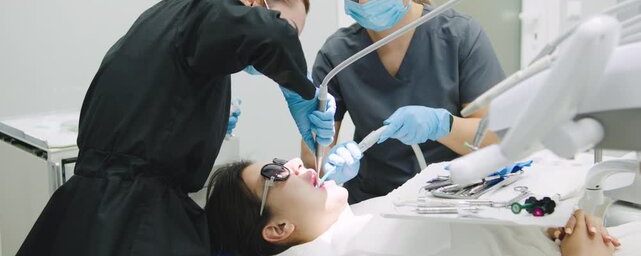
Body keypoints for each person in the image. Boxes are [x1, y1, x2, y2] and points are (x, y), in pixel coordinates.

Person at [17, 0, 336, 256]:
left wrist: (202, 125)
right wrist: (301, 92)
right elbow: (271, 37)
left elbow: (153, 106)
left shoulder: (180, 20)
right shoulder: (206, 12)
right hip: (129, 217)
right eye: (290, 29)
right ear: (254, 0)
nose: (290, 44)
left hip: (98, 206)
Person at [305, 0, 506, 203]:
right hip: (374, 202)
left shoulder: (460, 37)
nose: (364, 0)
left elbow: (495, 139)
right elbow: (313, 155)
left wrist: (443, 125)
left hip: (456, 198)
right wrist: (329, 165)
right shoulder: (337, 55)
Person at [206, 158, 628, 256]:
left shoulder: (370, 214)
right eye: (275, 173)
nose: (295, 164)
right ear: (277, 229)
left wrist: (547, 221)